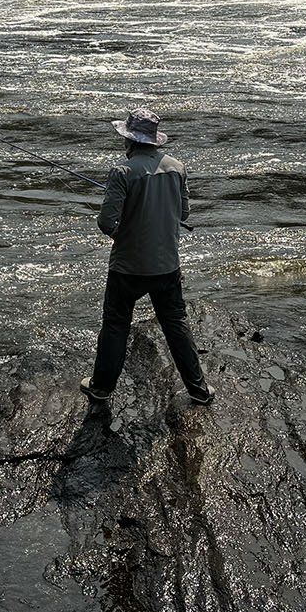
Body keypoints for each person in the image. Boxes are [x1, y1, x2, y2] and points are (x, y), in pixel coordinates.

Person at [81, 107, 214, 407]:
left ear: (130, 141)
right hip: (167, 265)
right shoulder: (177, 168)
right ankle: (199, 389)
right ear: (153, 141)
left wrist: (124, 231)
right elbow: (184, 214)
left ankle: (101, 388)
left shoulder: (122, 172)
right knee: (176, 323)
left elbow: (106, 223)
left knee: (116, 323)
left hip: (127, 267)